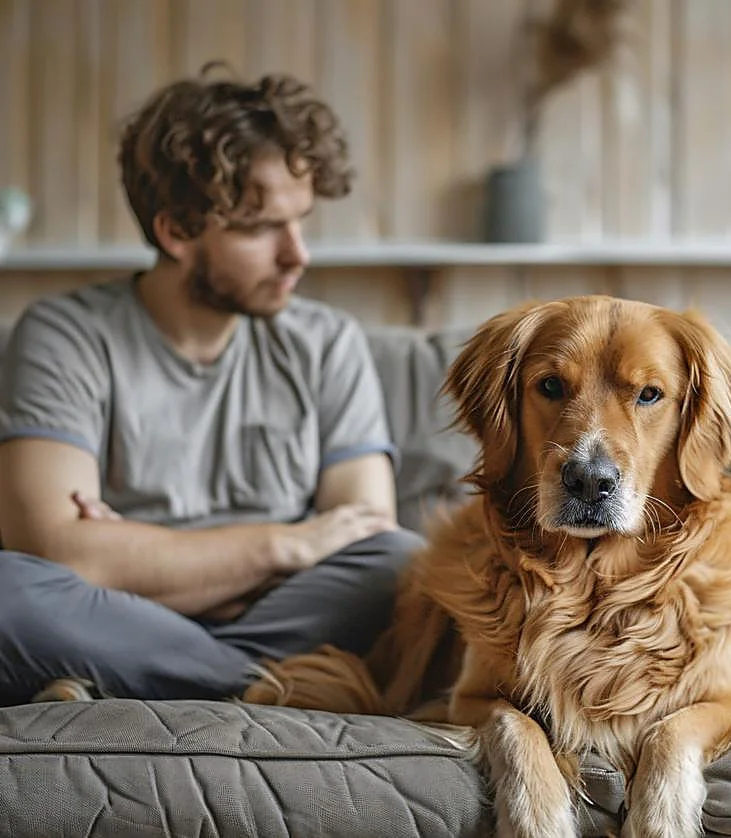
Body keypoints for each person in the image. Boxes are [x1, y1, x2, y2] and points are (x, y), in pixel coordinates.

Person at [0, 62, 425, 705]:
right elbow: (57, 550)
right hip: (119, 616)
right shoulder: (65, 335)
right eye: (259, 228)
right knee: (10, 589)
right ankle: (266, 686)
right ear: (176, 231)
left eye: (301, 220)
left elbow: (367, 532)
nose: (297, 255)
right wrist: (289, 543)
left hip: (237, 616)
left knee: (402, 561)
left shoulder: (327, 343)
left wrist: (130, 559)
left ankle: (128, 682)